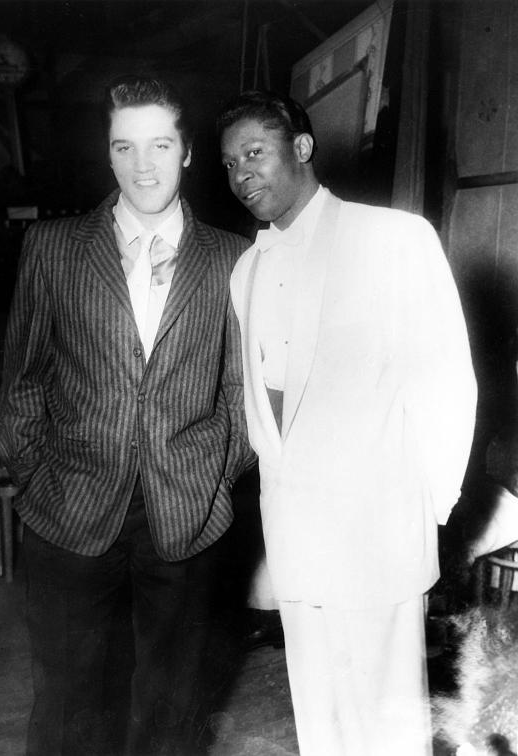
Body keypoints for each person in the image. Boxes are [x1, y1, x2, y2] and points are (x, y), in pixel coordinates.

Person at [0, 76, 252, 756]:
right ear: (107, 156)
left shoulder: (235, 259)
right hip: (70, 510)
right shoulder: (51, 249)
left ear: (188, 152)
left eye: (160, 145)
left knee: (172, 706)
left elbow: (242, 394)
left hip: (186, 514)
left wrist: (214, 481)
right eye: (125, 147)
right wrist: (37, 474)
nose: (144, 166)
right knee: (68, 703)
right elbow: (20, 380)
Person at [217, 90, 477, 756]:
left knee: (387, 726)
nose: (242, 174)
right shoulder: (246, 270)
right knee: (320, 720)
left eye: (255, 152)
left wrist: (430, 508)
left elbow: (446, 377)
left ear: (302, 148)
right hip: (298, 540)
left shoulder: (393, 238)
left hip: (376, 534)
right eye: (229, 164)